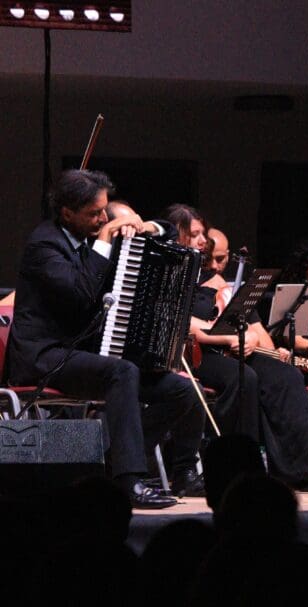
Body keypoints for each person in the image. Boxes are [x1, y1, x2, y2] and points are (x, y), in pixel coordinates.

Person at [6, 170, 204, 508]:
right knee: (121, 370)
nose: (102, 218)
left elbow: (169, 230)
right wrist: (104, 242)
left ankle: (111, 463)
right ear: (67, 213)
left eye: (104, 210)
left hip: (80, 355)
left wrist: (147, 227)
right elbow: (81, 294)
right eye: (94, 213)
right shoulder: (44, 245)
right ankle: (129, 482)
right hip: (43, 357)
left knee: (180, 390)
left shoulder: (87, 233)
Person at [163, 205, 308, 487]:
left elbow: (252, 325)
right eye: (195, 234)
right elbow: (183, 324)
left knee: (285, 375)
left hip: (233, 349)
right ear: (176, 236)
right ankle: (241, 467)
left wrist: (252, 338)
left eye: (203, 233)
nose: (203, 240)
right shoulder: (172, 274)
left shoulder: (216, 280)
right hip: (195, 354)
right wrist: (229, 338)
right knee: (246, 379)